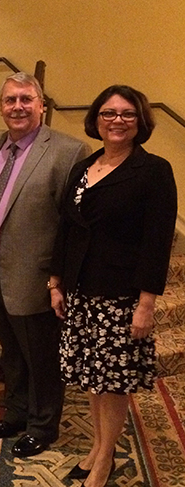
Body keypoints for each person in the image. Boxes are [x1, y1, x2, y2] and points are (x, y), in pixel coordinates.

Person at [49, 85, 177, 487]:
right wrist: (57, 281)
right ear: (96, 120)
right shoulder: (84, 167)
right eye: (108, 113)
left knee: (114, 381)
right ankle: (97, 446)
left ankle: (104, 458)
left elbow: (158, 242)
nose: (117, 121)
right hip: (82, 291)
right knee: (92, 376)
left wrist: (146, 304)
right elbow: (67, 229)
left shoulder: (153, 170)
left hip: (121, 295)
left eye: (126, 114)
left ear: (140, 121)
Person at [0, 72, 90, 457]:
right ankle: (19, 411)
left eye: (26, 99)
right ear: (1, 107)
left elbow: (72, 225)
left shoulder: (68, 150)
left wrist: (58, 277)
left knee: (40, 354)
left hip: (36, 273)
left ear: (42, 104)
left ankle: (43, 424)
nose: (18, 107)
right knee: (10, 348)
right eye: (10, 100)